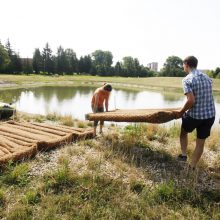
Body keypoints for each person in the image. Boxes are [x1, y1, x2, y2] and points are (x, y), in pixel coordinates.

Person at [174, 56, 215, 169]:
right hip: (210, 116)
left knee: (183, 132)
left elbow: (191, 101)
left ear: (186, 64)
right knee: (200, 142)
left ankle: (183, 156)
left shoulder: (187, 79)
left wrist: (181, 112)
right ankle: (192, 167)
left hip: (195, 116)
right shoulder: (207, 77)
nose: (183, 67)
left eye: (183, 65)